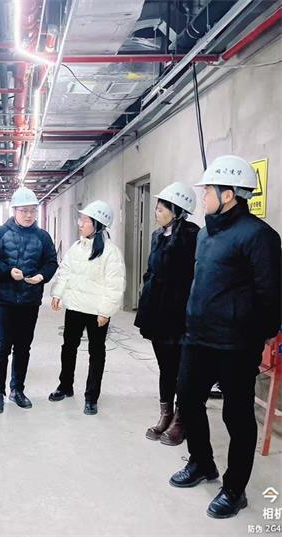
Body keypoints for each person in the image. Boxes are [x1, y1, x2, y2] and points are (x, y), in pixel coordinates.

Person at [169, 156, 281, 519]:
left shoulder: (260, 236)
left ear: (228, 194)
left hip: (236, 344)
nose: (203, 196)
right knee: (187, 401)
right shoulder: (205, 234)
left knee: (237, 417)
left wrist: (260, 336)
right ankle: (202, 463)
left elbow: (271, 295)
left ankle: (234, 490)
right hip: (198, 338)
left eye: (208, 191)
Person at [135, 182, 199, 446]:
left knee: (183, 369)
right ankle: (166, 414)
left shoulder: (193, 236)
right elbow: (152, 270)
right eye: (157, 208)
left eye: (161, 209)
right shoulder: (156, 236)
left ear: (177, 211)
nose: (156, 213)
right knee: (165, 367)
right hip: (157, 311)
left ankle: (181, 421)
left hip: (180, 313)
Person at [0, 186, 58, 413]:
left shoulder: (42, 237)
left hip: (29, 301)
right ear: (14, 210)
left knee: (23, 347)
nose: (28, 215)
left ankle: (17, 389)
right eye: (24, 210)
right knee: (1, 346)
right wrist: (7, 271)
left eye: (32, 211)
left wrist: (42, 276)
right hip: (4, 300)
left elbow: (51, 262)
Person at [48, 200, 126, 415]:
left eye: (85, 220)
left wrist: (106, 311)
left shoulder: (110, 252)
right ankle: (65, 385)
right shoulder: (77, 247)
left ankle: (91, 397)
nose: (80, 224)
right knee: (68, 347)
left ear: (98, 224)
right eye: (80, 219)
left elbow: (115, 285)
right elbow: (65, 271)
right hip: (74, 307)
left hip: (96, 312)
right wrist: (57, 293)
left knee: (96, 352)